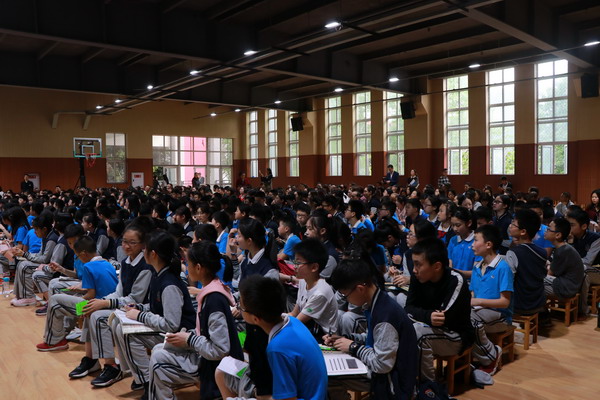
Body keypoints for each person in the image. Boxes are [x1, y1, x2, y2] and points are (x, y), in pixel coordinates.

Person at [150, 241, 243, 399]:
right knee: (159, 348)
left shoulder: (214, 299)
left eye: (188, 263)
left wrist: (189, 339)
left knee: (159, 361)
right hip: (208, 357)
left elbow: (220, 350)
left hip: (219, 367)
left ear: (198, 267)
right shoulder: (212, 289)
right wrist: (188, 336)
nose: (186, 268)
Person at [112, 231, 196, 398]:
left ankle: (147, 382)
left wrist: (140, 316)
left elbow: (171, 324)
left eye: (145, 249)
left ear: (153, 254)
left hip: (180, 337)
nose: (143, 252)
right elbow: (156, 306)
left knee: (127, 333)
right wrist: (139, 308)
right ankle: (145, 380)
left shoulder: (169, 283)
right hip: (166, 331)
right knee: (118, 324)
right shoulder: (158, 274)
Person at [221, 274, 328, 400]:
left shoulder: (277, 348)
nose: (239, 309)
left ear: (256, 319)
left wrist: (261, 396)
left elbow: (287, 399)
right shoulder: (293, 322)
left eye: (240, 307)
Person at [325, 257, 417, 400]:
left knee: (329, 379)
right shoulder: (378, 301)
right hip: (385, 372)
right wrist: (346, 339)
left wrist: (353, 347)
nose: (346, 300)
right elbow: (374, 338)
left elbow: (382, 365)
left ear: (360, 289)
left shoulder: (385, 314)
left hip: (393, 383)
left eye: (345, 296)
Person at [78, 223, 153, 388]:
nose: (126, 246)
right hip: (124, 306)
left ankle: (111, 366)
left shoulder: (145, 266)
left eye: (132, 243)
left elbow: (135, 299)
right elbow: (118, 292)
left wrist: (104, 303)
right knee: (89, 307)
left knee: (98, 316)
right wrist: (100, 302)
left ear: (143, 244)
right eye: (124, 241)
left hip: (139, 310)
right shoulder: (125, 262)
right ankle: (91, 359)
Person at [404, 238, 474, 385]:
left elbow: (442, 318)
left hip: (456, 335)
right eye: (413, 264)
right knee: (402, 328)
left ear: (436, 266)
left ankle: (429, 388)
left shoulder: (456, 280)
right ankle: (403, 382)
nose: (414, 270)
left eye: (418, 264)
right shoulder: (418, 277)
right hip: (430, 327)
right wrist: (428, 315)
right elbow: (408, 308)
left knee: (419, 334)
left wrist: (424, 316)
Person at [36, 236, 118, 352]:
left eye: (78, 256)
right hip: (111, 304)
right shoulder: (107, 263)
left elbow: (90, 295)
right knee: (70, 299)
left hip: (94, 306)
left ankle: (54, 341)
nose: (78, 259)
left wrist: (78, 297)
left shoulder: (88, 266)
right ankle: (61, 333)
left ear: (84, 253)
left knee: (54, 300)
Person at [470, 224, 512, 375]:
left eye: (476, 240)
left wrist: (478, 302)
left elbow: (505, 302)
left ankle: (491, 355)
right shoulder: (476, 266)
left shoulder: (503, 267)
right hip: (480, 312)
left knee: (469, 319)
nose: (472, 244)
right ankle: (466, 359)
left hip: (500, 317)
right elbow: (473, 294)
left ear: (488, 244)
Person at [288, 239, 338, 339]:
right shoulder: (303, 281)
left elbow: (297, 322)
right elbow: (294, 313)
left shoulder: (321, 292)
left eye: (298, 263)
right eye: (294, 262)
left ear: (314, 267)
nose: (294, 267)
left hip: (324, 338)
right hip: (307, 329)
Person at [505, 209, 547, 314]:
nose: (510, 226)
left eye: (513, 224)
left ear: (523, 232)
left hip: (521, 305)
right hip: (539, 302)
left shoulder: (513, 253)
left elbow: (507, 282)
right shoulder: (542, 251)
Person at [543, 217, 584, 300]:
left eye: (549, 229)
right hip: (569, 285)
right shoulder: (564, 248)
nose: (545, 231)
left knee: (532, 285)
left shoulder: (562, 251)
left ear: (558, 235)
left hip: (566, 289)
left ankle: (539, 308)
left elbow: (550, 274)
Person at [447, 207, 477, 277]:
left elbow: (476, 272)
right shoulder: (453, 240)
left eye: (458, 225)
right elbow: (450, 263)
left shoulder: (477, 241)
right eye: (452, 225)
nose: (454, 229)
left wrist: (455, 272)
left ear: (469, 223)